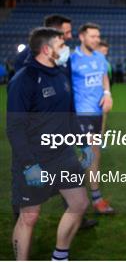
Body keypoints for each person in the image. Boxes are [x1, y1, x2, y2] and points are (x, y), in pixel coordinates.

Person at [7, 27, 93, 260]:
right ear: (46, 49)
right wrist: (28, 164)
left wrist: (83, 143)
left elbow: (70, 114)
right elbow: (14, 128)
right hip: (35, 157)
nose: (66, 49)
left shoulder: (61, 72)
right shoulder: (23, 79)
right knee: (29, 216)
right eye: (60, 45)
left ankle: (60, 256)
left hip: (63, 155)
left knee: (79, 203)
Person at [70, 23, 114, 214]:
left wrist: (107, 93)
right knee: (90, 153)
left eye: (98, 36)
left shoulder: (99, 57)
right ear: (81, 37)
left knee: (93, 154)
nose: (96, 39)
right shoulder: (72, 59)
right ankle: (95, 198)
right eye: (92, 36)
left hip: (97, 113)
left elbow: (104, 77)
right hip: (82, 113)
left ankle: (75, 183)